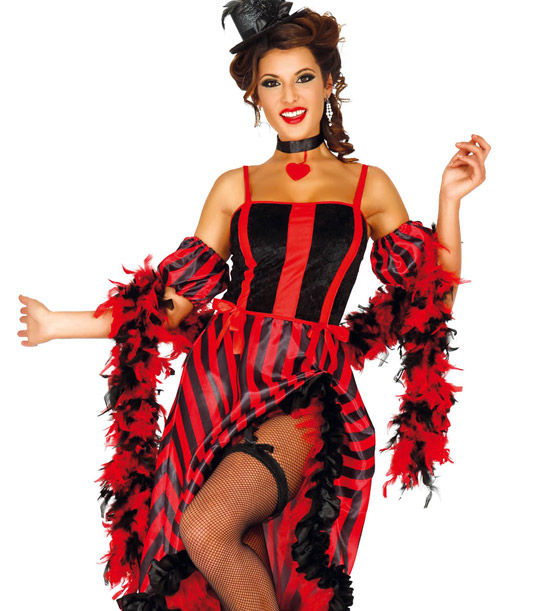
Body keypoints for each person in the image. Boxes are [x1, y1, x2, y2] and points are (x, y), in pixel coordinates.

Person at [17, 2, 490, 610]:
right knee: (211, 550)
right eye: (272, 83)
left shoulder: (367, 185)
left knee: (207, 527)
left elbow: (432, 297)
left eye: (303, 78)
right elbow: (168, 308)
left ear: (329, 83)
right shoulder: (233, 186)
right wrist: (58, 324)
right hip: (218, 387)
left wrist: (450, 200)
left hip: (304, 387)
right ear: (255, 95)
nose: (289, 96)